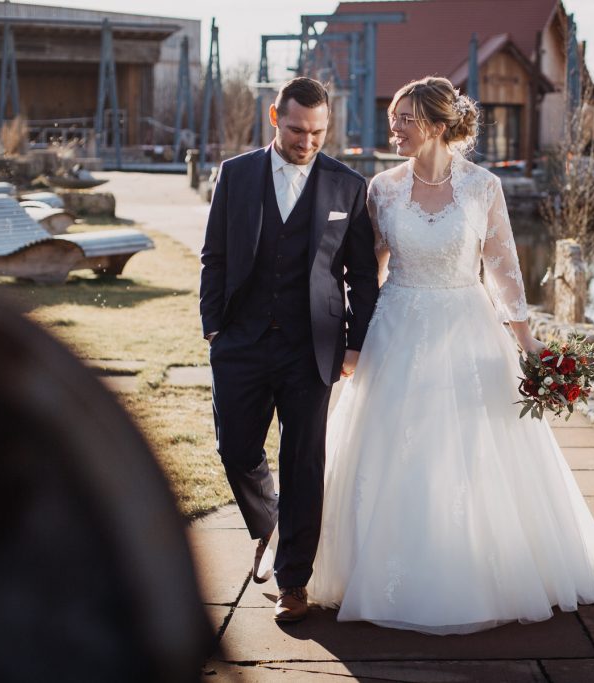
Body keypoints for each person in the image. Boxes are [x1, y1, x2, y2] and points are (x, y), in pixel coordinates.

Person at [307, 77, 594, 635]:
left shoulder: (483, 188)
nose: (392, 128)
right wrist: (355, 337)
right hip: (397, 326)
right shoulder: (382, 188)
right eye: (393, 118)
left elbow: (503, 268)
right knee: (392, 446)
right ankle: (378, 569)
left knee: (470, 446)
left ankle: (476, 566)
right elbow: (368, 270)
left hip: (467, 326)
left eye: (402, 118)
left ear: (435, 124)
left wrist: (528, 345)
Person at [199, 77, 379, 623]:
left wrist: (354, 344)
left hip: (312, 348)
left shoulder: (347, 185)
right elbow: (215, 255)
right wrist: (214, 328)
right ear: (275, 118)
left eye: (318, 132)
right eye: (298, 129)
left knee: (304, 462)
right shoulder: (236, 173)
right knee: (236, 450)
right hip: (241, 341)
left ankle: (292, 582)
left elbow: (363, 277)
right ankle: (271, 523)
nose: (307, 141)